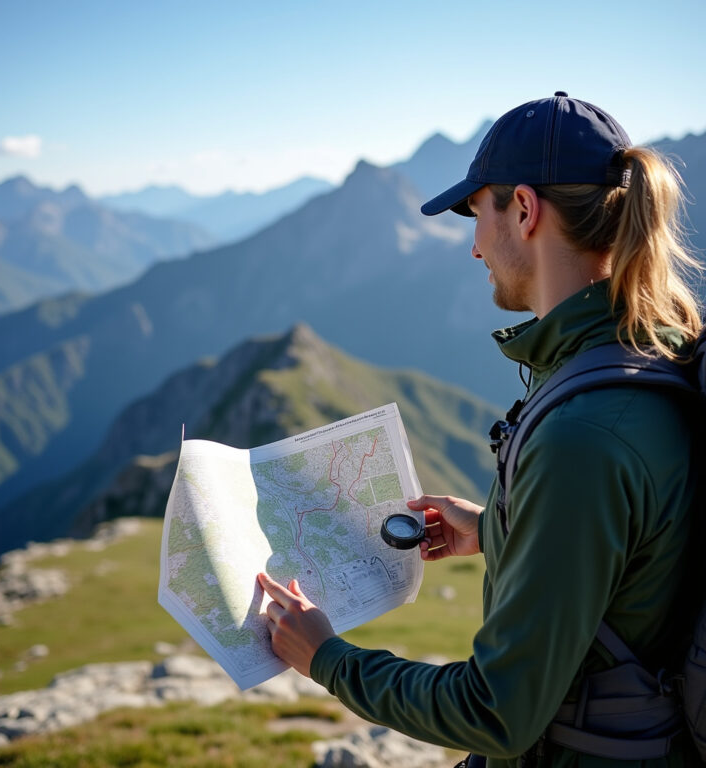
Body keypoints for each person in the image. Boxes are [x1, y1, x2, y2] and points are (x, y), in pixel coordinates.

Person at [257, 92, 703, 767]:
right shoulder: (653, 353)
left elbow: (496, 712)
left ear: (523, 210)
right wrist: (497, 525)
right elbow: (639, 558)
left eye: (476, 213)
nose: (472, 248)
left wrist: (325, 657)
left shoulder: (584, 434)